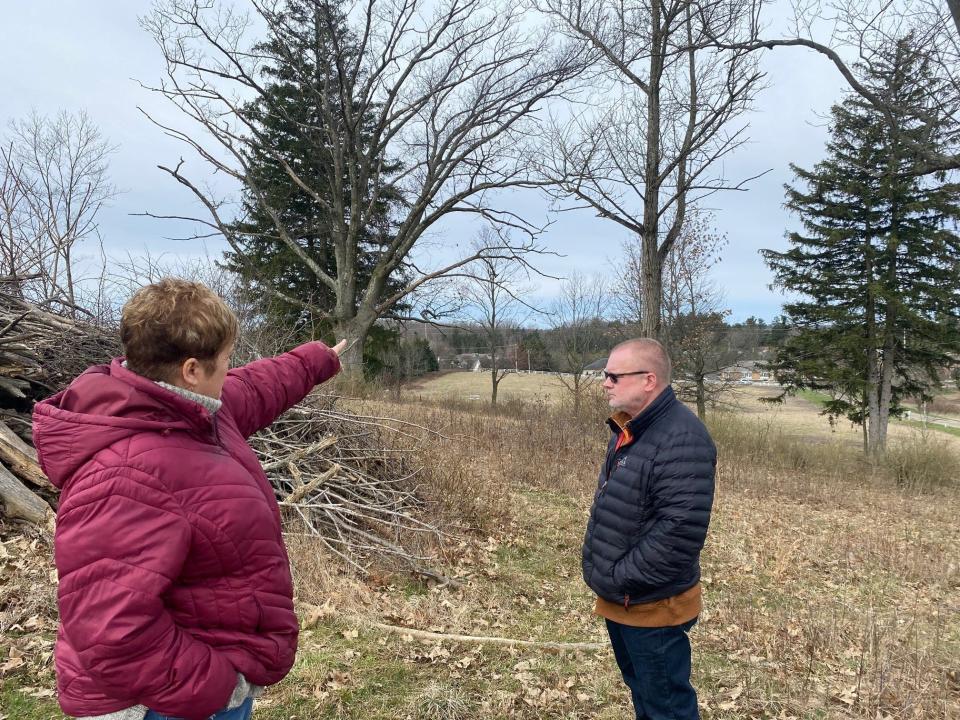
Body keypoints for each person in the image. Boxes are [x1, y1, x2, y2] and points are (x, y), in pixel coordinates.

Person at [31, 279, 346, 720]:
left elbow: (256, 386)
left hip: (191, 684)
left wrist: (317, 360)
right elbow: (110, 628)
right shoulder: (125, 474)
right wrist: (217, 686)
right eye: (225, 360)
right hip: (164, 701)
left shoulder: (187, 411)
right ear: (192, 369)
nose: (230, 370)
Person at [581, 338, 716, 720]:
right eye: (604, 375)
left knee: (666, 708)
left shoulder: (682, 438)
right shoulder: (629, 428)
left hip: (651, 604)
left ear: (648, 380)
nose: (605, 382)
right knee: (643, 693)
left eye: (613, 375)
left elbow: (680, 533)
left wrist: (619, 577)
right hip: (622, 599)